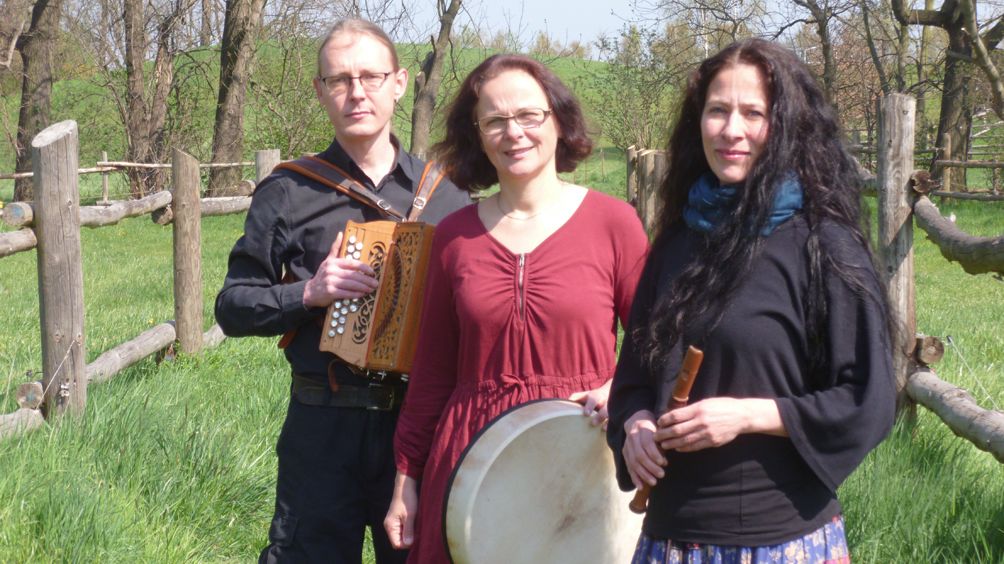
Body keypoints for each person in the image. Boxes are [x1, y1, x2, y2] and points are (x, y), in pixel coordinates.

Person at [607, 38, 898, 563]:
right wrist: (635, 426)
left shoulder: (823, 245)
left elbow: (868, 398)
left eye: (753, 113)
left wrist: (750, 416)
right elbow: (633, 380)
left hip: (779, 539)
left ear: (784, 125)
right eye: (718, 111)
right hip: (669, 536)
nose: (732, 130)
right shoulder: (676, 241)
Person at [214, 19, 471, 564]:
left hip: (419, 427)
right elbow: (232, 306)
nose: (357, 92)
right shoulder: (288, 189)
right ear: (320, 91)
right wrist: (308, 293)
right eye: (339, 80)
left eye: (371, 77)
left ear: (399, 83)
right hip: (321, 424)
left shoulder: (449, 196)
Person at [382, 54, 649, 562]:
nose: (514, 132)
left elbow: (658, 343)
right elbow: (433, 372)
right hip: (470, 461)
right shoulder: (455, 238)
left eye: (530, 115)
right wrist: (406, 478)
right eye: (495, 120)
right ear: (477, 135)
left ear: (558, 120)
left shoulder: (614, 223)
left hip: (585, 459)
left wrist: (621, 387)